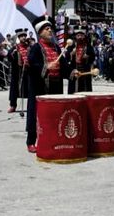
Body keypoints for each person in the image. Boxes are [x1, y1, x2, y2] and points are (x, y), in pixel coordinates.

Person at [26, 15, 69, 153]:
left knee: (55, 114)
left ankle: (53, 139)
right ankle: (31, 141)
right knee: (36, 114)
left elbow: (63, 65)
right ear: (40, 32)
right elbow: (32, 65)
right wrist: (45, 66)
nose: (50, 31)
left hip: (55, 86)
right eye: (46, 29)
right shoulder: (35, 48)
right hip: (40, 87)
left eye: (51, 28)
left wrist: (72, 72)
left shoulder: (57, 48)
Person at [7, 28, 30, 113]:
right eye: (21, 36)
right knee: (14, 88)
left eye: (24, 36)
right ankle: (13, 106)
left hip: (27, 71)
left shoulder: (29, 47)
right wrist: (12, 54)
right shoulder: (14, 48)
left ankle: (30, 106)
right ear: (18, 37)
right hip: (17, 71)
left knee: (29, 88)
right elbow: (9, 58)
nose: (23, 37)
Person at [67, 24, 95, 93]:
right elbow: (67, 58)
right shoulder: (71, 46)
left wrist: (88, 57)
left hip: (85, 71)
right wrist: (71, 54)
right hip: (74, 71)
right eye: (78, 35)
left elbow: (93, 57)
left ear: (84, 36)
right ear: (75, 36)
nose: (80, 37)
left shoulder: (88, 46)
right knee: (74, 90)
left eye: (81, 35)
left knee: (85, 90)